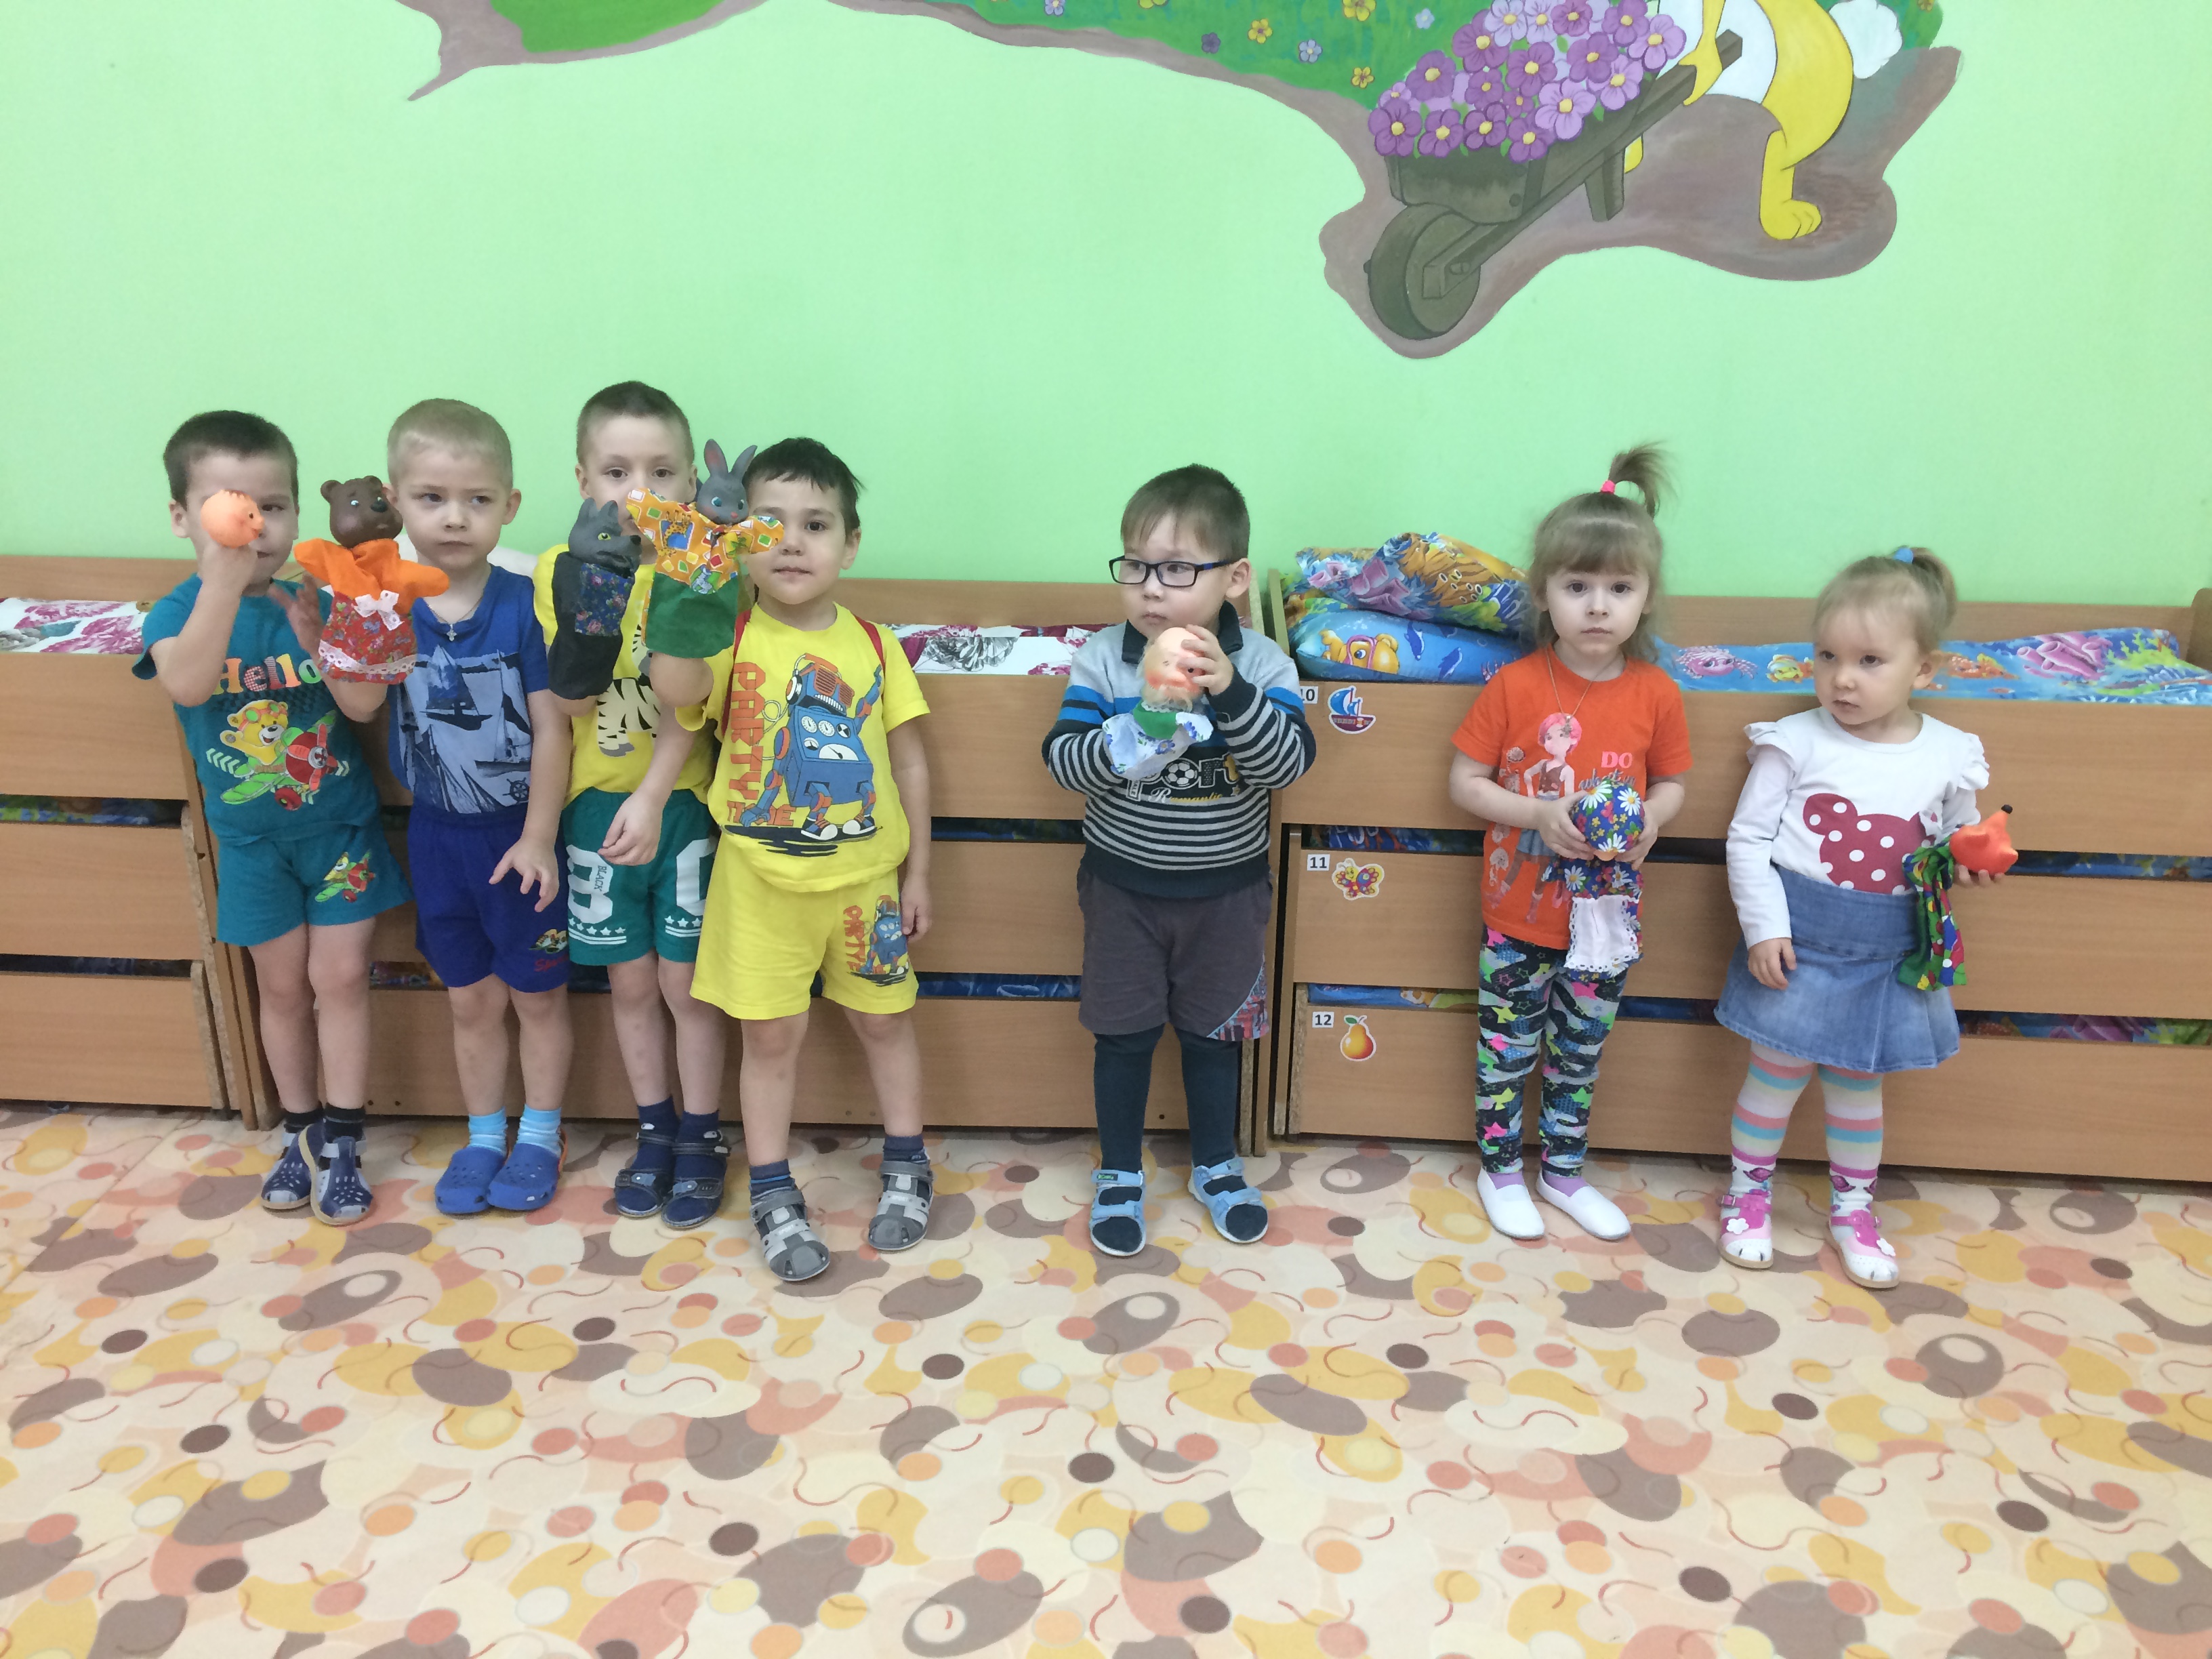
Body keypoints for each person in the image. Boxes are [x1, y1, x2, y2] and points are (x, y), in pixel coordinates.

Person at [649, 438, 935, 1282]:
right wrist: (690, 576)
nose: (792, 542)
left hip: (866, 887)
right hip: (759, 888)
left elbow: (910, 763)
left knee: (886, 1022)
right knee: (770, 1039)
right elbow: (675, 692)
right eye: (769, 524)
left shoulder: (875, 646)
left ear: (850, 544)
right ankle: (772, 1190)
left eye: (816, 525)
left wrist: (920, 871)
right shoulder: (728, 637)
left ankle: (909, 1161)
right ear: (743, 539)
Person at [138, 411, 410, 1225]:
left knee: (341, 980)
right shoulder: (174, 613)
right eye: (233, 508)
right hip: (253, 844)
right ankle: (300, 1128)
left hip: (340, 832)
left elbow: (362, 706)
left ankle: (346, 1139)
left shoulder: (316, 596)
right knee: (283, 988)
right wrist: (222, 585)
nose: (257, 526)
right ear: (183, 518)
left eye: (276, 507)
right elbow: (187, 684)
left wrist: (327, 638)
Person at [1044, 464, 1315, 1257]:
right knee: (1123, 1036)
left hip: (1227, 896)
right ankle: (1119, 1171)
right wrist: (1144, 723)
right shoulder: (1105, 659)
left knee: (1215, 1038)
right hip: (1123, 890)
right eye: (1135, 567)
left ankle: (1217, 1165)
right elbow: (1063, 763)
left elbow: (1287, 765)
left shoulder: (1263, 665)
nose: (1150, 588)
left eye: (1175, 570)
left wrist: (1229, 693)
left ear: (1235, 579)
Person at [1715, 548, 1999, 1290]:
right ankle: (1747, 1193)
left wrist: (1970, 858)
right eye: (1828, 656)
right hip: (1801, 945)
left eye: (1870, 660)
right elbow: (1748, 840)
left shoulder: (1950, 754)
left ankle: (1853, 1209)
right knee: (1774, 1078)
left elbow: (1953, 840)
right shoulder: (1794, 741)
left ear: (1924, 669)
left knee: (1857, 1089)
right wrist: (1765, 928)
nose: (1843, 678)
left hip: (1886, 953)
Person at [327, 401, 573, 1216]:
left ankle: (540, 1135)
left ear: (510, 506)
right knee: (469, 999)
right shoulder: (387, 605)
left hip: (519, 838)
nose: (455, 518)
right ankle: (483, 1134)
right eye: (432, 498)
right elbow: (362, 707)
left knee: (538, 997)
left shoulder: (525, 603)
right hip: (437, 838)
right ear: (396, 502)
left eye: (477, 500)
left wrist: (539, 837)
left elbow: (553, 727)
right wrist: (354, 617)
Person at [1446, 447, 1691, 1242]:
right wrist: (1537, 813)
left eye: (1619, 589)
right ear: (1544, 594)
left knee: (1579, 1056)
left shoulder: (1656, 693)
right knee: (1506, 1052)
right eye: (1578, 587)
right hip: (1517, 918)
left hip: (1604, 922)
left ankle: (1562, 1174)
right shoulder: (1514, 685)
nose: (1597, 607)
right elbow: (1465, 783)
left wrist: (1653, 819)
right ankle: (1499, 1171)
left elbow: (1673, 785)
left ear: (1645, 600)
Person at [535, 383, 730, 1229]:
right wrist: (598, 593)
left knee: (688, 987)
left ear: (691, 481)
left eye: (661, 472)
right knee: (631, 985)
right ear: (584, 480)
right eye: (617, 472)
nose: (640, 491)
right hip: (594, 811)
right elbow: (572, 702)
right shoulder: (561, 566)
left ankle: (702, 1133)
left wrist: (653, 796)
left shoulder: (707, 566)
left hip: (679, 805)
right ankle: (654, 1130)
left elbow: (696, 704)